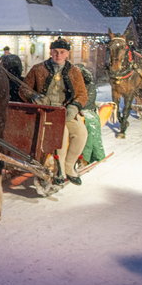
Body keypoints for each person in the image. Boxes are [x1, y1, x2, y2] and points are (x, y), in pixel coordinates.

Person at [19, 38, 88, 185]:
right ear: (50, 52)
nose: (58, 55)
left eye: (62, 52)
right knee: (61, 135)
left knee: (81, 134)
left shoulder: (75, 71)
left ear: (67, 54)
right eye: (55, 52)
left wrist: (74, 106)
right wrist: (34, 96)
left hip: (67, 111)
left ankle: (69, 166)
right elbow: (23, 89)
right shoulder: (38, 69)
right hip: (46, 112)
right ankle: (60, 170)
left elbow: (82, 94)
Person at [75, 64, 106, 166]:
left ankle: (87, 156)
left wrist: (76, 107)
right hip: (72, 110)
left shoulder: (89, 85)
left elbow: (87, 102)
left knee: (90, 126)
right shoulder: (70, 83)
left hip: (86, 110)